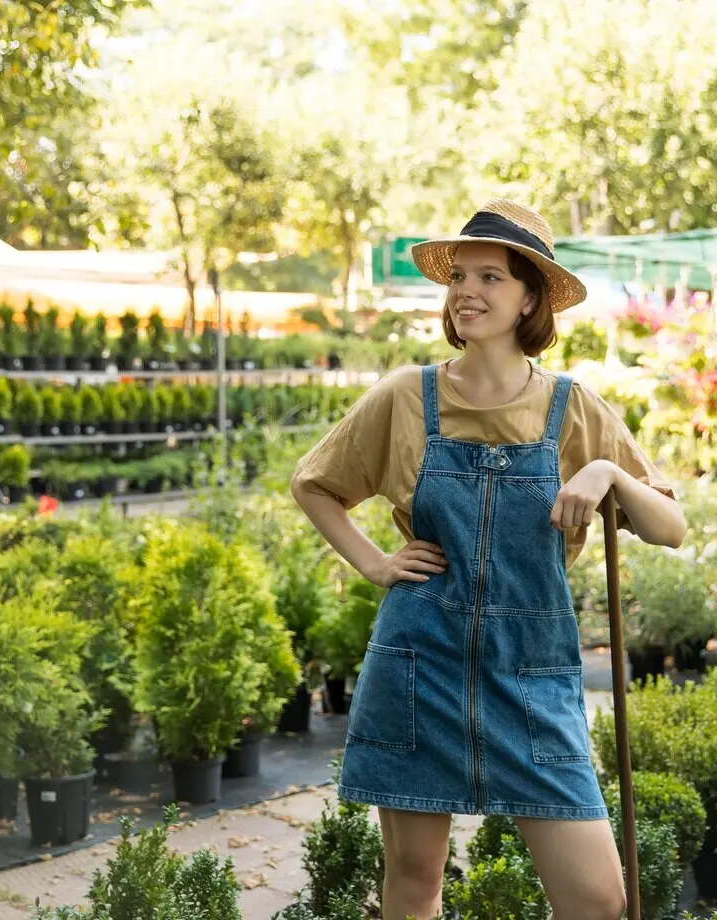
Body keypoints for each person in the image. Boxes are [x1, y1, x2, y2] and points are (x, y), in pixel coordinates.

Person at [291, 199, 686, 920]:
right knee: (414, 885)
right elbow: (314, 485)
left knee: (597, 900)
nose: (467, 291)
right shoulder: (408, 398)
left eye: (491, 277)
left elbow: (670, 528)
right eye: (459, 278)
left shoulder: (575, 409)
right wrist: (375, 563)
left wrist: (610, 476)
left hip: (531, 676)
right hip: (420, 665)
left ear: (530, 297)